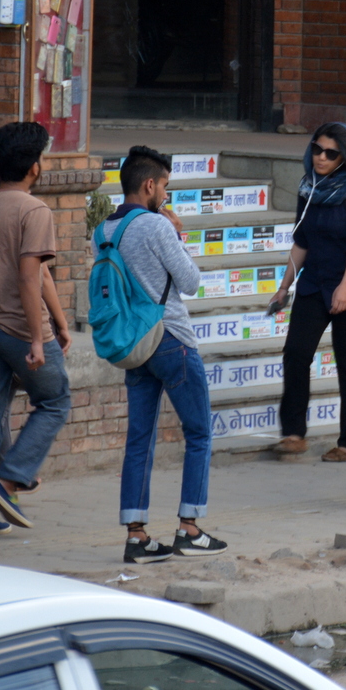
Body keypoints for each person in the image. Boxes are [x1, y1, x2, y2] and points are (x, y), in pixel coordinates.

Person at [101, 146, 228, 563]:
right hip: (171, 336)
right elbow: (190, 281)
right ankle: (189, 528)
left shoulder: (103, 230)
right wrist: (174, 232)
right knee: (199, 432)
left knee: (139, 439)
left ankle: (136, 536)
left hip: (135, 342)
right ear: (150, 185)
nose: (167, 197)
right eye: (166, 188)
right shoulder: (156, 227)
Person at [0, 121, 73, 536]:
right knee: (56, 400)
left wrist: (59, 322)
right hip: (18, 329)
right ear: (35, 168)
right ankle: (8, 482)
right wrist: (40, 337)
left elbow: (38, 276)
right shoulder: (33, 210)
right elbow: (31, 278)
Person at [273, 123, 346, 462]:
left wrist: (345, 286)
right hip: (314, 283)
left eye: (330, 153)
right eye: (317, 149)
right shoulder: (309, 187)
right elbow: (301, 239)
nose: (320, 157)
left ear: (345, 157)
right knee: (296, 352)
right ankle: (293, 433)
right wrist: (284, 285)